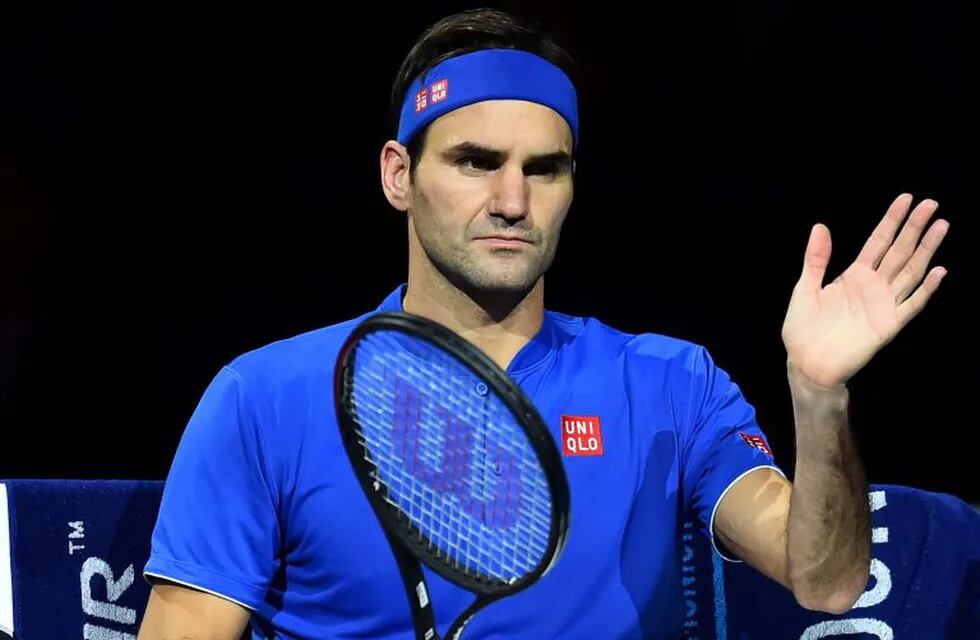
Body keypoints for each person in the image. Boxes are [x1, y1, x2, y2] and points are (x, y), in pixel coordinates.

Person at [136, 8, 950, 640]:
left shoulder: (669, 384)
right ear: (398, 175)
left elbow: (826, 582)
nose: (513, 201)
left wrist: (818, 396)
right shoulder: (264, 399)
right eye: (475, 161)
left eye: (544, 169)